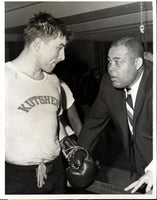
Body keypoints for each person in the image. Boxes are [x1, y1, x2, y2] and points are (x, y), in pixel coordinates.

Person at [5, 12, 72, 194]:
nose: (63, 56)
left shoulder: (53, 81)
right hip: (17, 178)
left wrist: (70, 149)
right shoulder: (4, 77)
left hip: (56, 170)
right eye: (59, 48)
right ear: (37, 45)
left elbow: (54, 122)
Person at [77, 36, 153, 194]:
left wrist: (154, 170)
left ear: (138, 63)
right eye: (109, 61)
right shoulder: (108, 84)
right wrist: (80, 151)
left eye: (118, 61)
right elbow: (94, 121)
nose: (111, 67)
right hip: (140, 166)